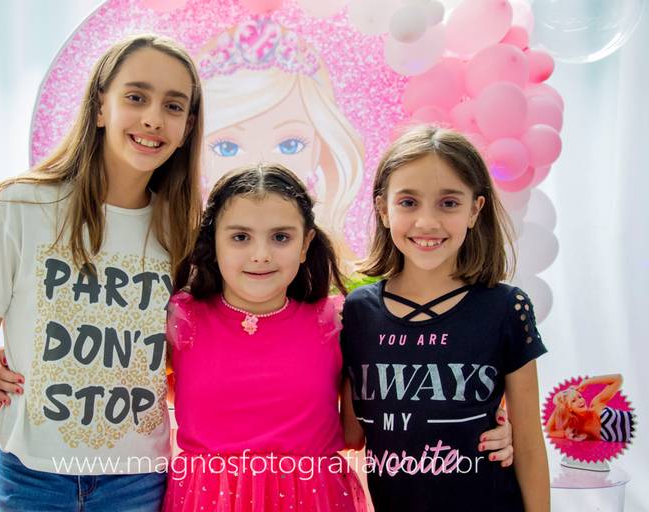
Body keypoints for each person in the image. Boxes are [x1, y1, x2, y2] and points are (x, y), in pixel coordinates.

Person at [0, 33, 204, 512]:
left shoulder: (184, 231)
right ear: (100, 106)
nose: (153, 118)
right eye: (136, 97)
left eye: (173, 106)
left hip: (136, 481)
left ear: (187, 127)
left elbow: (184, 352)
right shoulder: (20, 206)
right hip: (31, 479)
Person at [341, 125, 550, 511]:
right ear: (382, 209)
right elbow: (351, 433)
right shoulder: (357, 312)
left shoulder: (506, 308)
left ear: (475, 209)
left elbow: (529, 444)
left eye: (449, 203)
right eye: (408, 202)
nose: (427, 222)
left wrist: (507, 433)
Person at [161, 163, 367, 511]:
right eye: (240, 237)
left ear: (305, 244)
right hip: (208, 501)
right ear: (214, 242)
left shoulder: (332, 322)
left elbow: (354, 434)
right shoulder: (183, 320)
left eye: (281, 237)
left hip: (313, 502)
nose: (261, 255)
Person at [197, 18, 365, 265]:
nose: (260, 166)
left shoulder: (349, 286)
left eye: (290, 145)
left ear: (319, 149)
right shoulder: (174, 277)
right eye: (227, 148)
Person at [546, 374, 634, 442]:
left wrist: (587, 382)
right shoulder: (579, 430)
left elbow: (618, 379)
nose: (580, 401)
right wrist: (560, 404)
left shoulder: (596, 404)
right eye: (573, 401)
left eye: (579, 397)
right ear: (569, 408)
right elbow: (549, 431)